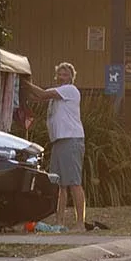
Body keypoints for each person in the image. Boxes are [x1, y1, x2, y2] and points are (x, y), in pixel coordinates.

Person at [45, 63, 87, 232]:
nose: (62, 77)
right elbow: (38, 96)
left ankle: (80, 224)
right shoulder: (55, 95)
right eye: (59, 74)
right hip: (58, 141)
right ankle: (59, 222)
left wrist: (23, 81)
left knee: (74, 183)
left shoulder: (70, 90)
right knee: (61, 185)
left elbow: (40, 94)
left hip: (71, 140)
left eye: (65, 74)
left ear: (71, 77)